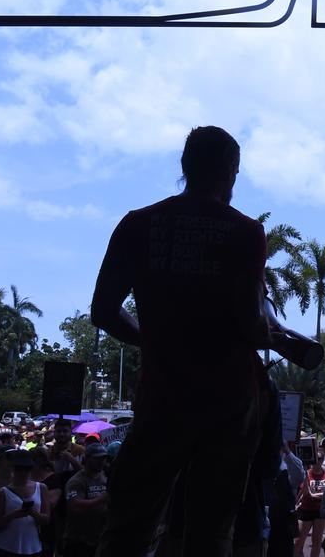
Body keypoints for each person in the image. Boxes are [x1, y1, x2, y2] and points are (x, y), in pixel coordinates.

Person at [90, 126, 272, 556]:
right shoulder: (245, 232)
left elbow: (103, 311)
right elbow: (251, 325)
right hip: (228, 406)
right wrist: (268, 332)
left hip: (161, 400)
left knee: (128, 529)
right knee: (210, 534)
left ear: (185, 167)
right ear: (230, 170)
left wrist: (150, 342)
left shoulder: (138, 224)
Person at [0, 449, 47, 557]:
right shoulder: (3, 492)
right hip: (7, 547)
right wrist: (13, 515)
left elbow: (46, 519)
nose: (23, 473)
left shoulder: (41, 488)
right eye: (19, 469)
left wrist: (33, 513)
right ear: (13, 469)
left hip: (33, 547)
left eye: (27, 469)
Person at [62, 443, 109, 557]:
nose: (101, 461)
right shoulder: (76, 481)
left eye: (103, 458)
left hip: (98, 539)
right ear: (87, 458)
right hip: (78, 541)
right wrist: (103, 498)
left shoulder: (105, 477)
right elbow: (75, 507)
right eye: (97, 458)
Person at [295, 457, 325, 557]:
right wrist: (296, 502)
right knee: (299, 540)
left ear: (323, 460)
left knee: (317, 541)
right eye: (315, 459)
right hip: (306, 509)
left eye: (320, 459)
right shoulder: (306, 474)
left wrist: (313, 495)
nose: (317, 462)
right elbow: (304, 492)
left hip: (320, 510)